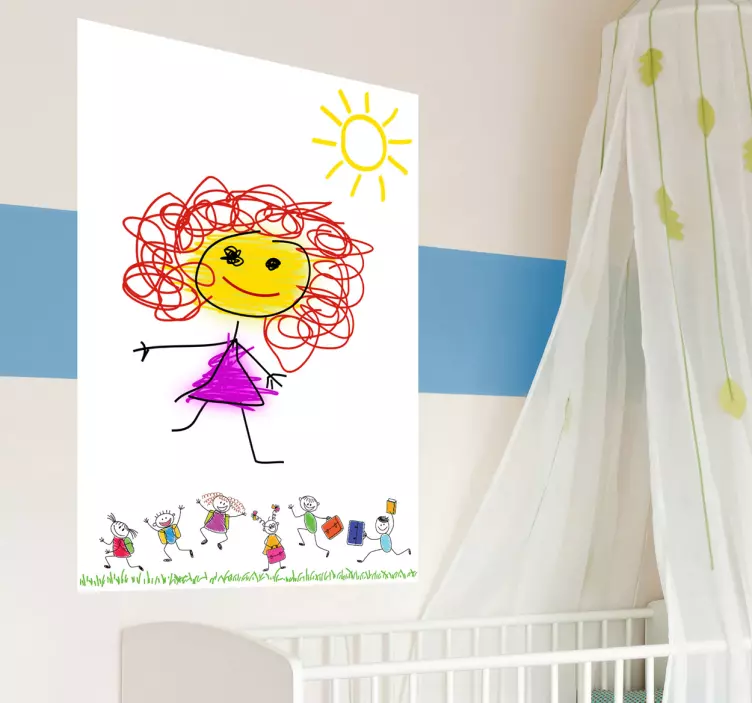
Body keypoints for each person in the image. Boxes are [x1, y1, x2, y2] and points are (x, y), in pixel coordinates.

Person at [124, 177, 372, 465]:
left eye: (273, 265)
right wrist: (156, 349)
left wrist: (267, 373)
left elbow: (226, 348)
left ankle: (252, 451)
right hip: (229, 375)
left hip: (232, 377)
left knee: (234, 405)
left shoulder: (246, 328)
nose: (249, 276)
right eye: (233, 258)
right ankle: (205, 431)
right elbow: (215, 346)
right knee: (222, 400)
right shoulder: (225, 322)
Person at [253, 505, 287, 572]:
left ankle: (280, 565)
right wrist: (255, 516)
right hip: (271, 542)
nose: (272, 528)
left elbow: (273, 516)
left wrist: (275, 510)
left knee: (278, 552)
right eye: (270, 527)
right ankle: (268, 567)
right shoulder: (268, 532)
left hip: (275, 541)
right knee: (270, 554)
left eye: (273, 526)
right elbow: (261, 521)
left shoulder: (274, 535)